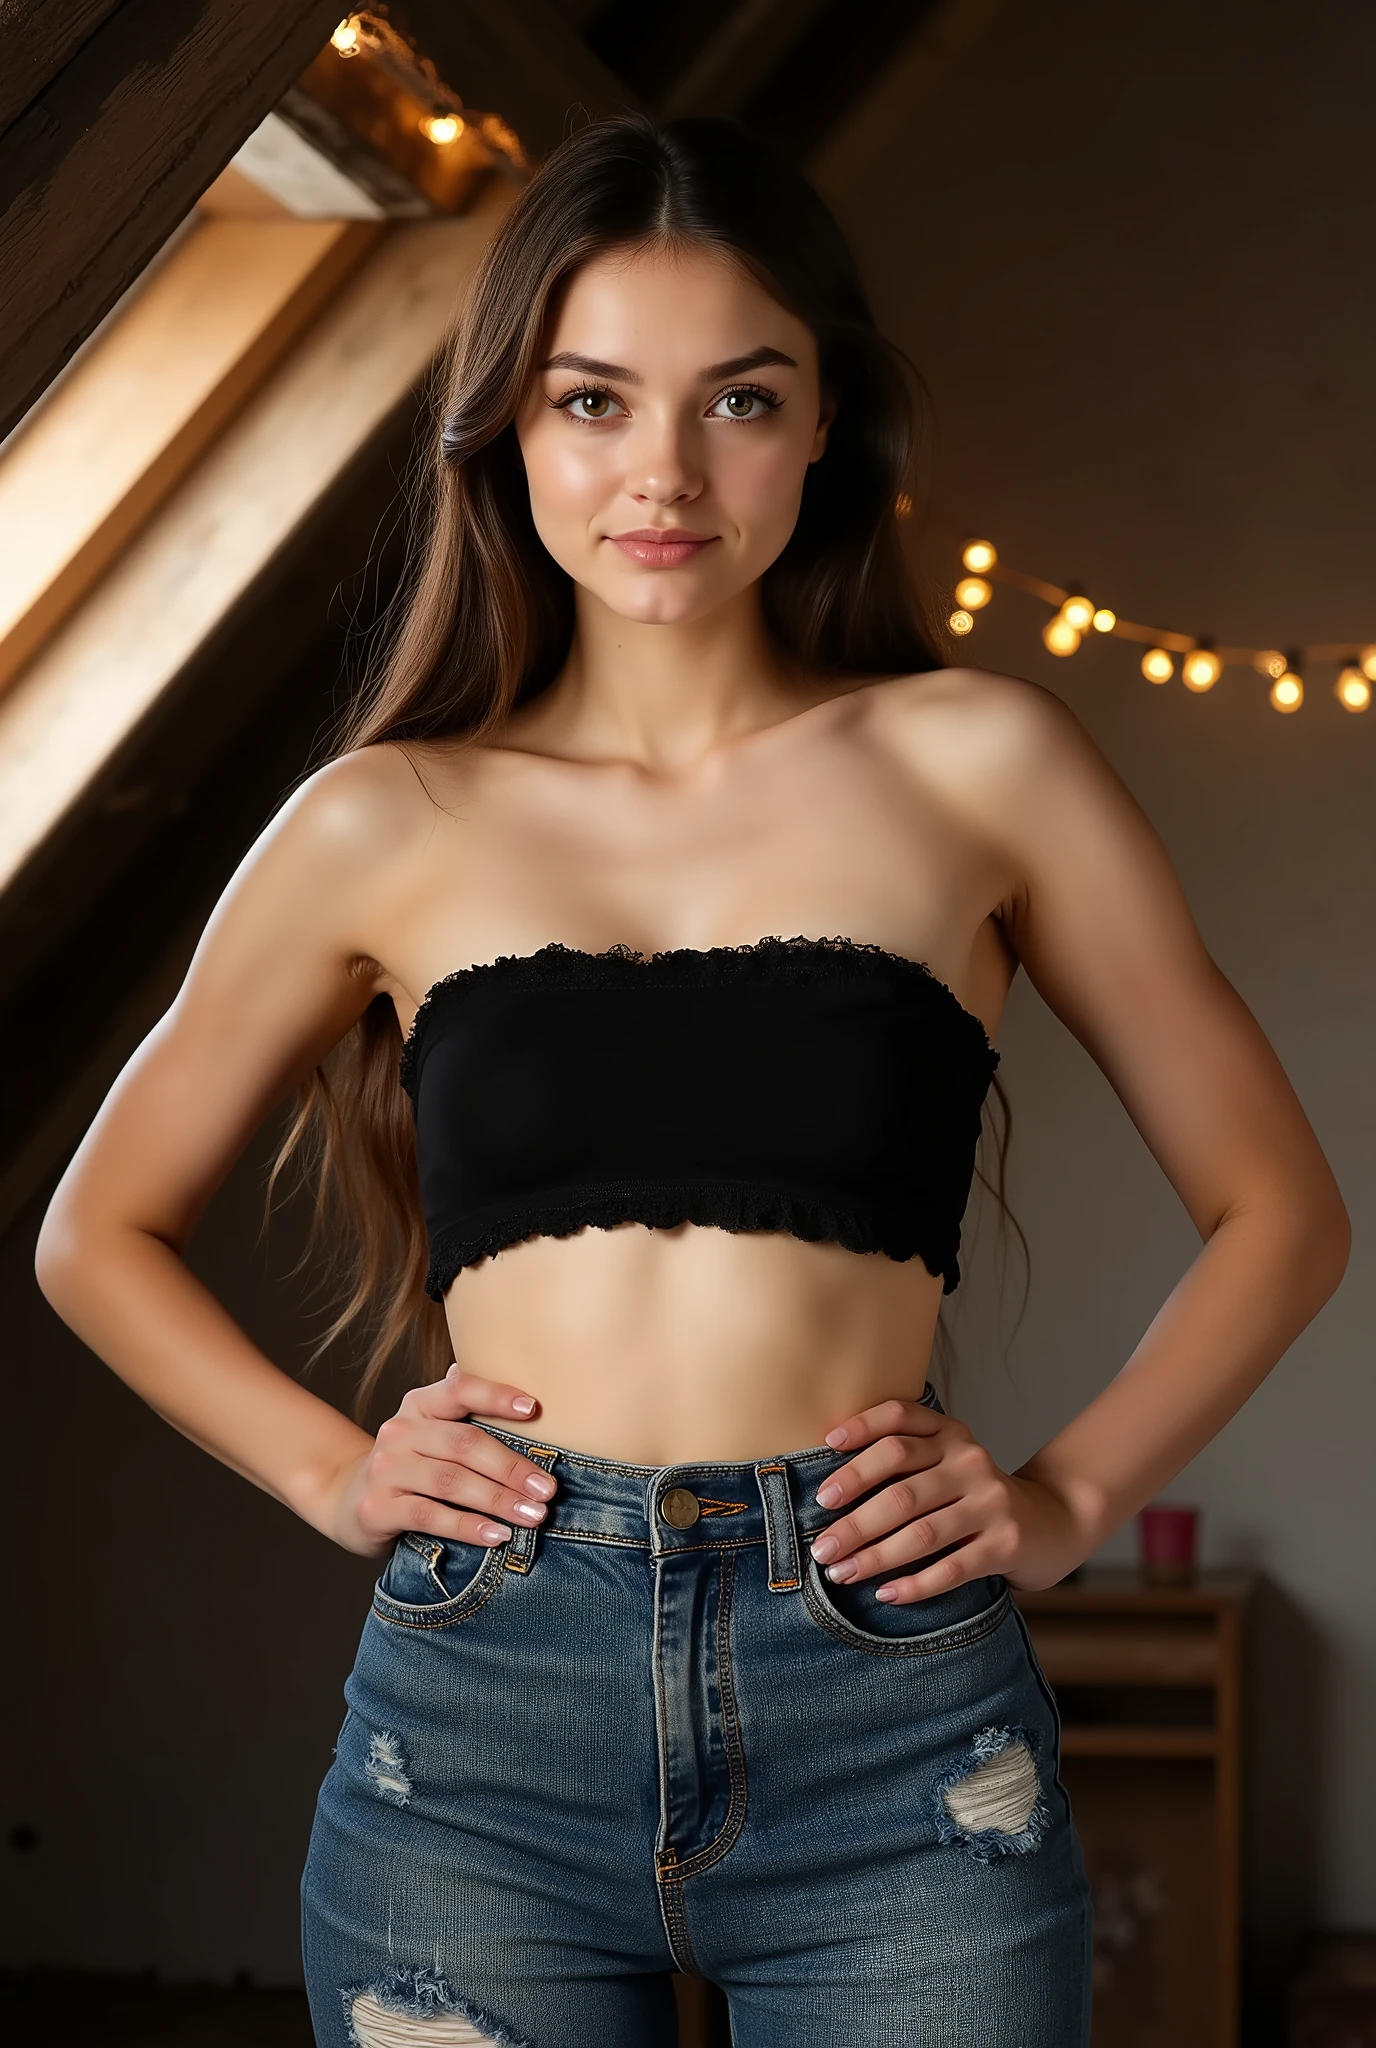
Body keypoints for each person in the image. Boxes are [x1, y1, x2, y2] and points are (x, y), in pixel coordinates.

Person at [36, 115, 1347, 2048]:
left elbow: (1284, 1209)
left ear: (826, 427)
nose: (661, 471)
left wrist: (1069, 1494)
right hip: (482, 1718)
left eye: (738, 398)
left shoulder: (977, 763)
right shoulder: (382, 821)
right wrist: (335, 1471)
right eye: (591, 401)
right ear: (510, 430)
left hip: (893, 1710)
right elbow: (96, 1233)